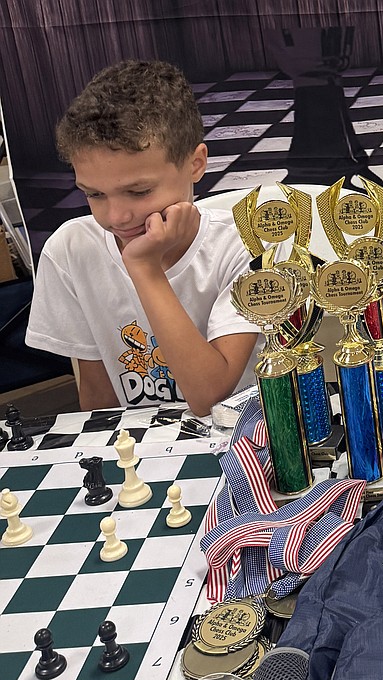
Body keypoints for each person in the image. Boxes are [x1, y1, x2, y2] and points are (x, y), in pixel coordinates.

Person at [26, 60, 258, 417]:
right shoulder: (70, 249)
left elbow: (208, 398)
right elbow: (98, 398)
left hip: (241, 436)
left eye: (139, 191)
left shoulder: (242, 246)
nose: (116, 217)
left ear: (195, 164)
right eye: (94, 194)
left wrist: (144, 268)